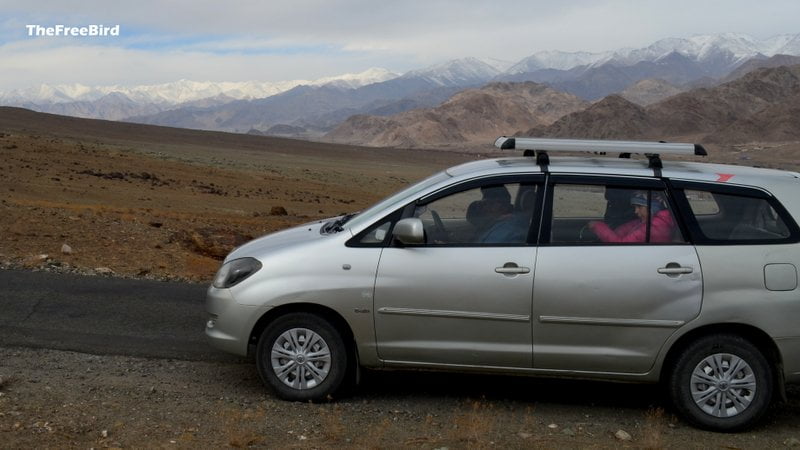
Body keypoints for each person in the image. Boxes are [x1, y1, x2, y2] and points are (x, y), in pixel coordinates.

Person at [588, 192, 675, 243]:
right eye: (635, 207)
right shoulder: (651, 222)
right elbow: (628, 227)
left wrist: (597, 226)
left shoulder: (654, 228)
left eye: (639, 207)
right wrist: (613, 232)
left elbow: (621, 244)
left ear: (653, 208)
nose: (635, 211)